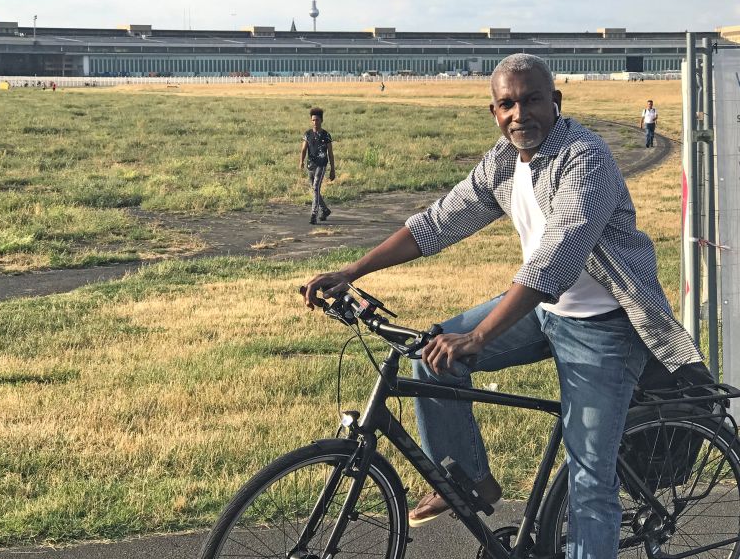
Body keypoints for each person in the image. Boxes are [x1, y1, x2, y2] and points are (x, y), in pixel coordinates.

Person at [303, 53, 703, 559]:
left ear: (554, 102)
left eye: (532, 100)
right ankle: (467, 479)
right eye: (507, 104)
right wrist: (351, 272)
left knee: (590, 484)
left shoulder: (586, 157)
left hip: (606, 327)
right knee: (428, 358)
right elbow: (435, 223)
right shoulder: (503, 161)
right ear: (494, 111)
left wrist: (479, 336)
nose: (520, 114)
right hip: (544, 314)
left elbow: (555, 259)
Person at [299, 107, 336, 224]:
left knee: (315, 188)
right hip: (311, 165)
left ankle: (313, 214)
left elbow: (330, 153)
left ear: (321, 120)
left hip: (322, 164)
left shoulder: (326, 135)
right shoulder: (307, 134)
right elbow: (303, 150)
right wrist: (301, 162)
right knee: (315, 190)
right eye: (313, 120)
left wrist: (332, 169)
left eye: (317, 120)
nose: (315, 122)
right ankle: (325, 210)